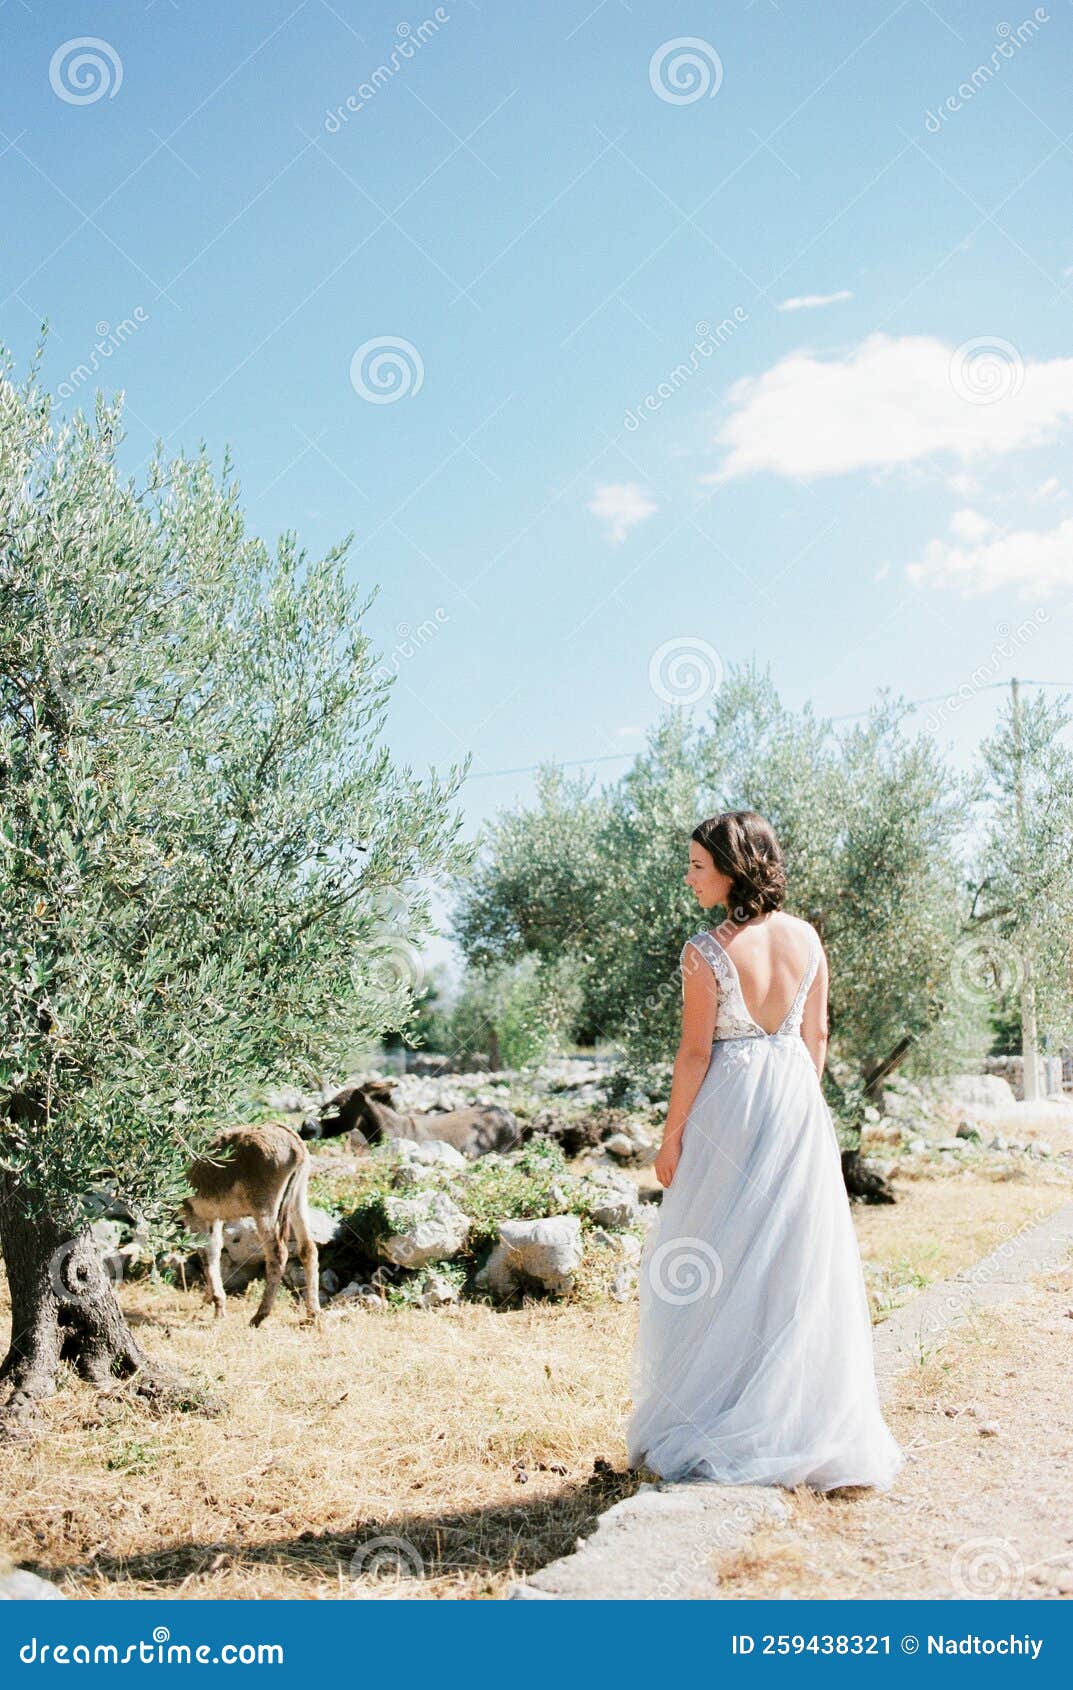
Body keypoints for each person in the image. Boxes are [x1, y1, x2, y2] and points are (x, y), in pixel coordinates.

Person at [625, 810, 903, 1491]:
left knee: (716, 1253)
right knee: (793, 1259)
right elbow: (816, 1036)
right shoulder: (807, 938)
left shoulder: (704, 949)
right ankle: (798, 1420)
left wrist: (669, 1139)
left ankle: (719, 1412)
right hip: (795, 1103)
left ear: (731, 868)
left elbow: (693, 1053)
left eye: (696, 865)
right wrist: (796, 1105)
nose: (687, 877)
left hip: (728, 1104)